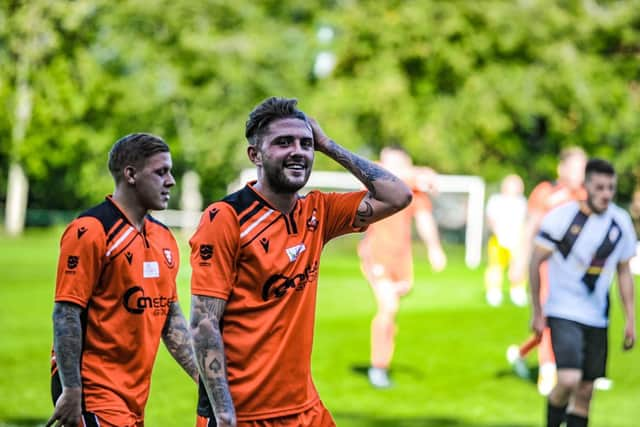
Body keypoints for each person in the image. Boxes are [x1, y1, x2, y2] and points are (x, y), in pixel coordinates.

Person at [189, 97, 412, 427]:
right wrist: (222, 413)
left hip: (306, 409)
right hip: (244, 414)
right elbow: (204, 325)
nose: (298, 151)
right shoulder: (226, 219)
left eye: (306, 144)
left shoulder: (318, 212)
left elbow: (398, 196)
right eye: (283, 142)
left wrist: (328, 145)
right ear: (255, 155)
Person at [47, 133, 198, 427]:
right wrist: (72, 389)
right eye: (161, 172)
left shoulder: (164, 238)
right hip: (91, 390)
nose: (171, 181)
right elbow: (66, 314)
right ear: (130, 174)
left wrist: (204, 378)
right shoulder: (91, 231)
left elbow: (169, 317)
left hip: (133, 395)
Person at [529, 158, 636, 427]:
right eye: (599, 187)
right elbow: (535, 262)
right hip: (563, 311)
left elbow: (624, 272)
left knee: (586, 391)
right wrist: (537, 312)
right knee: (568, 379)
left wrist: (630, 320)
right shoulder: (561, 218)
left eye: (610, 188)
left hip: (597, 316)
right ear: (585, 185)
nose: (605, 194)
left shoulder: (620, 223)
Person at [358, 146, 446, 388]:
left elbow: (425, 220)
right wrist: (422, 173)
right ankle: (378, 367)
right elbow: (379, 171)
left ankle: (383, 359)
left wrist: (434, 248)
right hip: (377, 253)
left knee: (393, 309)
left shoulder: (413, 190)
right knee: (388, 306)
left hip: (401, 259)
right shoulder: (375, 179)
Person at [507, 147, 587, 395]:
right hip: (547, 266)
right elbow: (530, 227)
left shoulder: (586, 195)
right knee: (548, 318)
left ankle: (521, 353)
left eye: (583, 168)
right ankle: (548, 370)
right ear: (561, 168)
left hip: (576, 270)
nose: (579, 173)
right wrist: (519, 262)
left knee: (576, 320)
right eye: (575, 167)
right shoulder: (545, 192)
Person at [484, 174, 528, 307]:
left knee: (518, 265)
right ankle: (493, 292)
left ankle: (517, 290)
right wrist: (500, 234)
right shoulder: (496, 200)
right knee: (495, 266)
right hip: (499, 239)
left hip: (517, 239)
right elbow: (491, 219)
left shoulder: (522, 202)